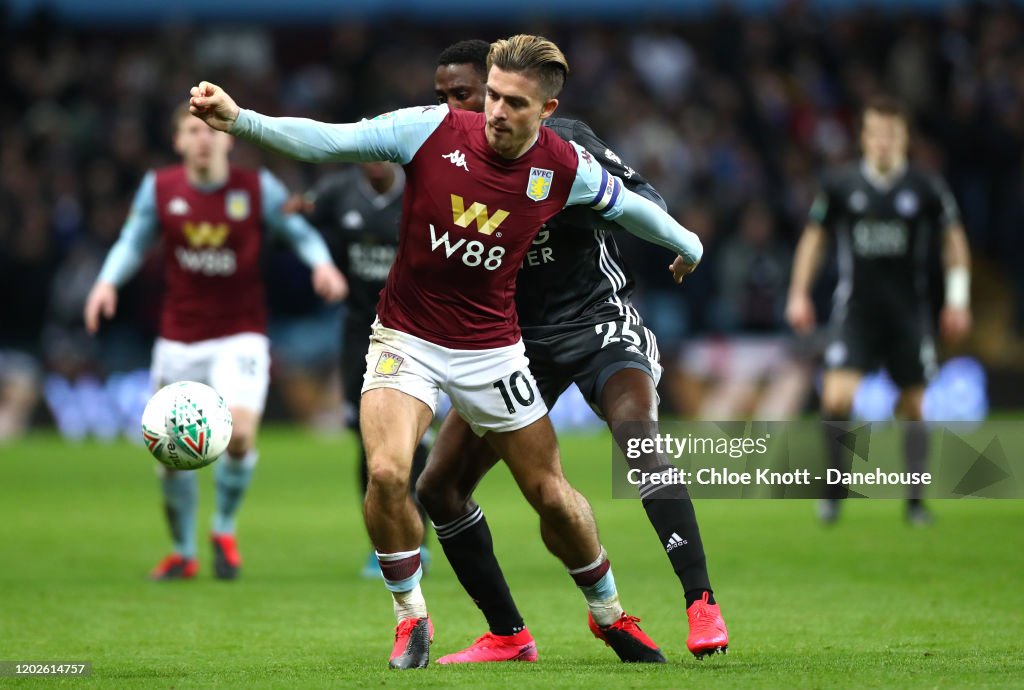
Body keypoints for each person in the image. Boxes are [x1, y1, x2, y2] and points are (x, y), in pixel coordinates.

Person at [189, 34, 703, 669]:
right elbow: (328, 140)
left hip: (493, 349)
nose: (495, 111)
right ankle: (411, 618)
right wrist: (241, 121)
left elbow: (631, 210)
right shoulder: (429, 130)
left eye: (514, 102)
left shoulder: (562, 167)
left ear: (546, 109)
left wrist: (689, 243)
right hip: (407, 337)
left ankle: (607, 613)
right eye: (491, 95)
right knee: (386, 472)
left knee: (550, 493)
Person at [420, 39, 728, 664]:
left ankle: (700, 601)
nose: (454, 108)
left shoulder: (566, 147)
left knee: (637, 435)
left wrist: (591, 212)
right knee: (438, 489)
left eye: (463, 95)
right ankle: (508, 634)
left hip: (595, 321)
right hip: (510, 343)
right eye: (443, 98)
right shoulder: (446, 153)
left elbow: (647, 203)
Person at [84, 104, 348, 580]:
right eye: (191, 131)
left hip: (240, 335)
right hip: (178, 338)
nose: (202, 139)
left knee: (240, 435)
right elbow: (132, 241)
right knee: (167, 451)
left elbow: (298, 231)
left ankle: (223, 528)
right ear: (178, 141)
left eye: (210, 131)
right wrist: (106, 282)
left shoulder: (256, 188)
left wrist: (321, 264)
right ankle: (183, 552)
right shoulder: (160, 188)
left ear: (228, 138)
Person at [785, 95, 971, 525]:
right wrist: (799, 293)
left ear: (904, 138)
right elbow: (814, 239)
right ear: (864, 138)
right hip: (857, 312)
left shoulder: (926, 187)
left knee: (913, 407)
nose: (884, 142)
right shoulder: (840, 185)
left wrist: (958, 300)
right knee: (835, 397)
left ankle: (915, 503)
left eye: (893, 134)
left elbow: (954, 240)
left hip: (908, 313)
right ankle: (834, 493)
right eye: (876, 134)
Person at [301, 162, 432, 578]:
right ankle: (383, 547)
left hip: (415, 330)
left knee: (417, 441)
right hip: (361, 330)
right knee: (369, 442)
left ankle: (421, 542)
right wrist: (322, 262)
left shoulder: (421, 189)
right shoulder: (338, 192)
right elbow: (299, 224)